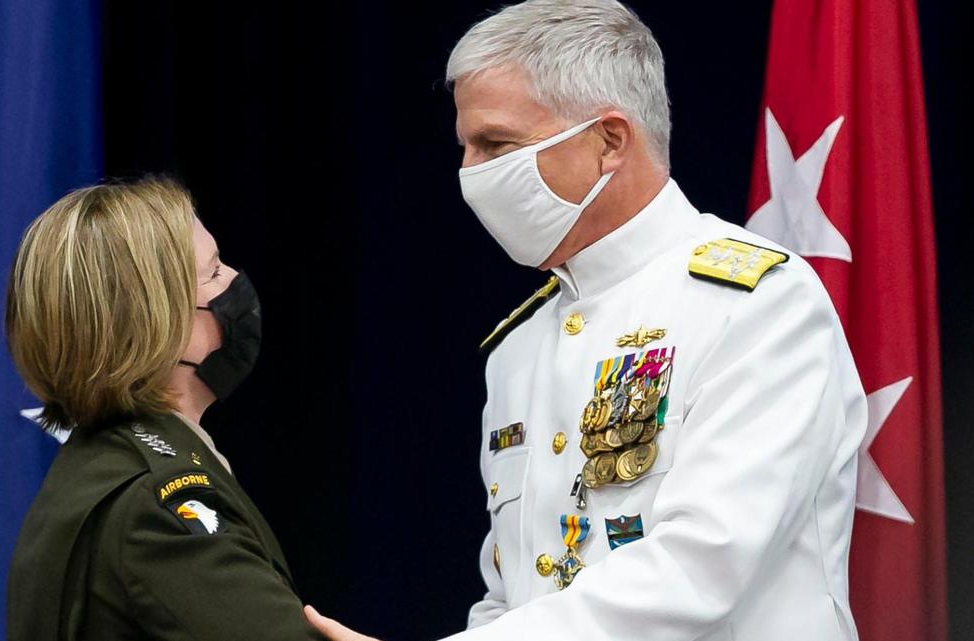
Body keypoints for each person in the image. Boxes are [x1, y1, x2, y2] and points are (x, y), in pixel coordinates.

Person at [305, 1, 867, 640]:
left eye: (496, 145)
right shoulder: (519, 346)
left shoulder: (760, 304)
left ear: (609, 142)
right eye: (466, 147)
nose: (470, 175)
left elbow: (705, 565)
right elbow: (513, 597)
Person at [5, 177, 324, 640]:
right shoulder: (156, 505)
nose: (236, 280)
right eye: (213, 273)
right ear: (156, 322)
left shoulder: (101, 464)